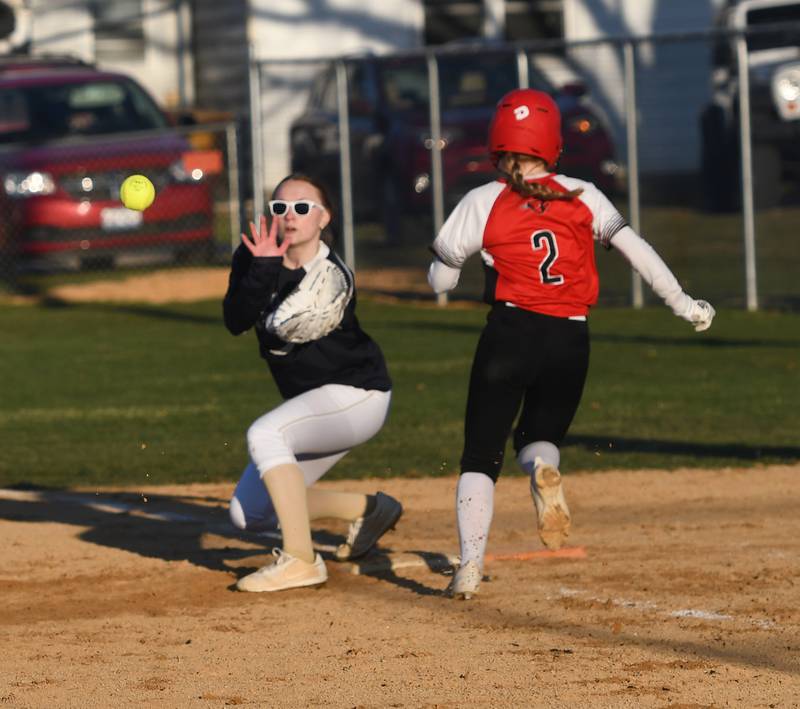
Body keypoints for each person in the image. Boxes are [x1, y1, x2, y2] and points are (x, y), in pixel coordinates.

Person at [428, 89, 715, 600]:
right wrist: (683, 302)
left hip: (510, 332)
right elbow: (638, 251)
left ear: (498, 140)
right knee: (539, 438)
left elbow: (442, 283)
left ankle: (469, 567)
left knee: (480, 455)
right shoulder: (583, 194)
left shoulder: (483, 199)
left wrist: (452, 263)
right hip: (571, 335)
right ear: (553, 143)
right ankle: (541, 469)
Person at [223, 173, 402, 593]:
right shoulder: (255, 255)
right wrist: (261, 267)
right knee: (249, 514)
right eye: (279, 207)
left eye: (302, 208)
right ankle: (371, 510)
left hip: (357, 397)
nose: (289, 216)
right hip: (314, 404)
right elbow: (236, 320)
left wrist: (264, 272)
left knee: (266, 434)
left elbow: (282, 327)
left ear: (324, 218)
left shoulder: (331, 276)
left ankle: (301, 560)